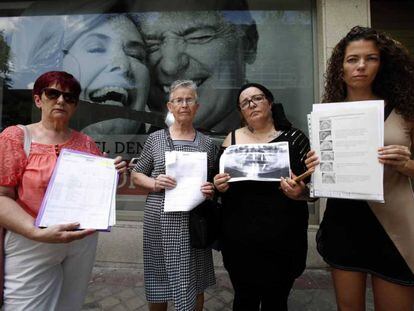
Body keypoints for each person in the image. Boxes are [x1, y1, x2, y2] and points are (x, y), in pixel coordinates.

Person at [305, 26, 414, 310]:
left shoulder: (405, 111)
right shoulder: (327, 114)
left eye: (371, 58)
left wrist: (407, 165)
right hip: (345, 223)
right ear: (341, 67)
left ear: (383, 63)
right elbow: (319, 177)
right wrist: (313, 170)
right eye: (353, 59)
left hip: (395, 226)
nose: (361, 66)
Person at [0, 71, 126, 310]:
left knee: (70, 305)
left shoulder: (86, 143)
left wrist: (112, 176)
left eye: (69, 97)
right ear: (38, 99)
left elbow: (94, 196)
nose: (61, 101)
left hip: (81, 241)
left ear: (75, 106)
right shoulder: (16, 137)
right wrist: (35, 232)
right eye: (53, 93)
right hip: (32, 238)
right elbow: (1, 196)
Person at [213, 82, 311, 310]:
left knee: (276, 301)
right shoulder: (232, 140)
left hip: (283, 238)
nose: (252, 104)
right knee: (244, 299)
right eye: (245, 103)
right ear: (241, 111)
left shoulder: (295, 138)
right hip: (239, 239)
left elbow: (315, 187)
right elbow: (215, 181)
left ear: (269, 103)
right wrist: (219, 185)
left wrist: (301, 193)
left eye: (257, 98)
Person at [131, 80, 216, 311]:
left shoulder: (208, 144)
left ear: (197, 107)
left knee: (195, 280)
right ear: (170, 106)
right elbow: (137, 175)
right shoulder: (156, 139)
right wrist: (155, 182)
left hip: (195, 221)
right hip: (159, 219)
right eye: (179, 100)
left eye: (189, 100)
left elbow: (214, 183)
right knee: (159, 278)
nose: (184, 104)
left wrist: (211, 190)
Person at [9, 13, 150, 137]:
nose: (122, 65)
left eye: (135, 55)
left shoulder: (85, 145)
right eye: (96, 48)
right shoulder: (17, 139)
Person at [136, 0, 258, 133]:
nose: (169, 67)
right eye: (150, 44)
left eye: (198, 37)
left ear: (248, 44)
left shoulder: (280, 144)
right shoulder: (139, 144)